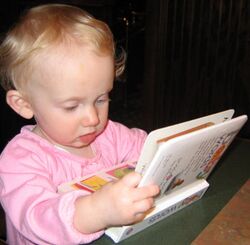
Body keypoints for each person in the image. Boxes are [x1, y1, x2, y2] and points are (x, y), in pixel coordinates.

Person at [0, 4, 159, 245]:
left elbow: (150, 149)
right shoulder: (19, 160)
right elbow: (36, 219)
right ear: (24, 104)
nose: (93, 119)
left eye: (101, 99)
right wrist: (97, 211)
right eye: (72, 106)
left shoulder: (110, 135)